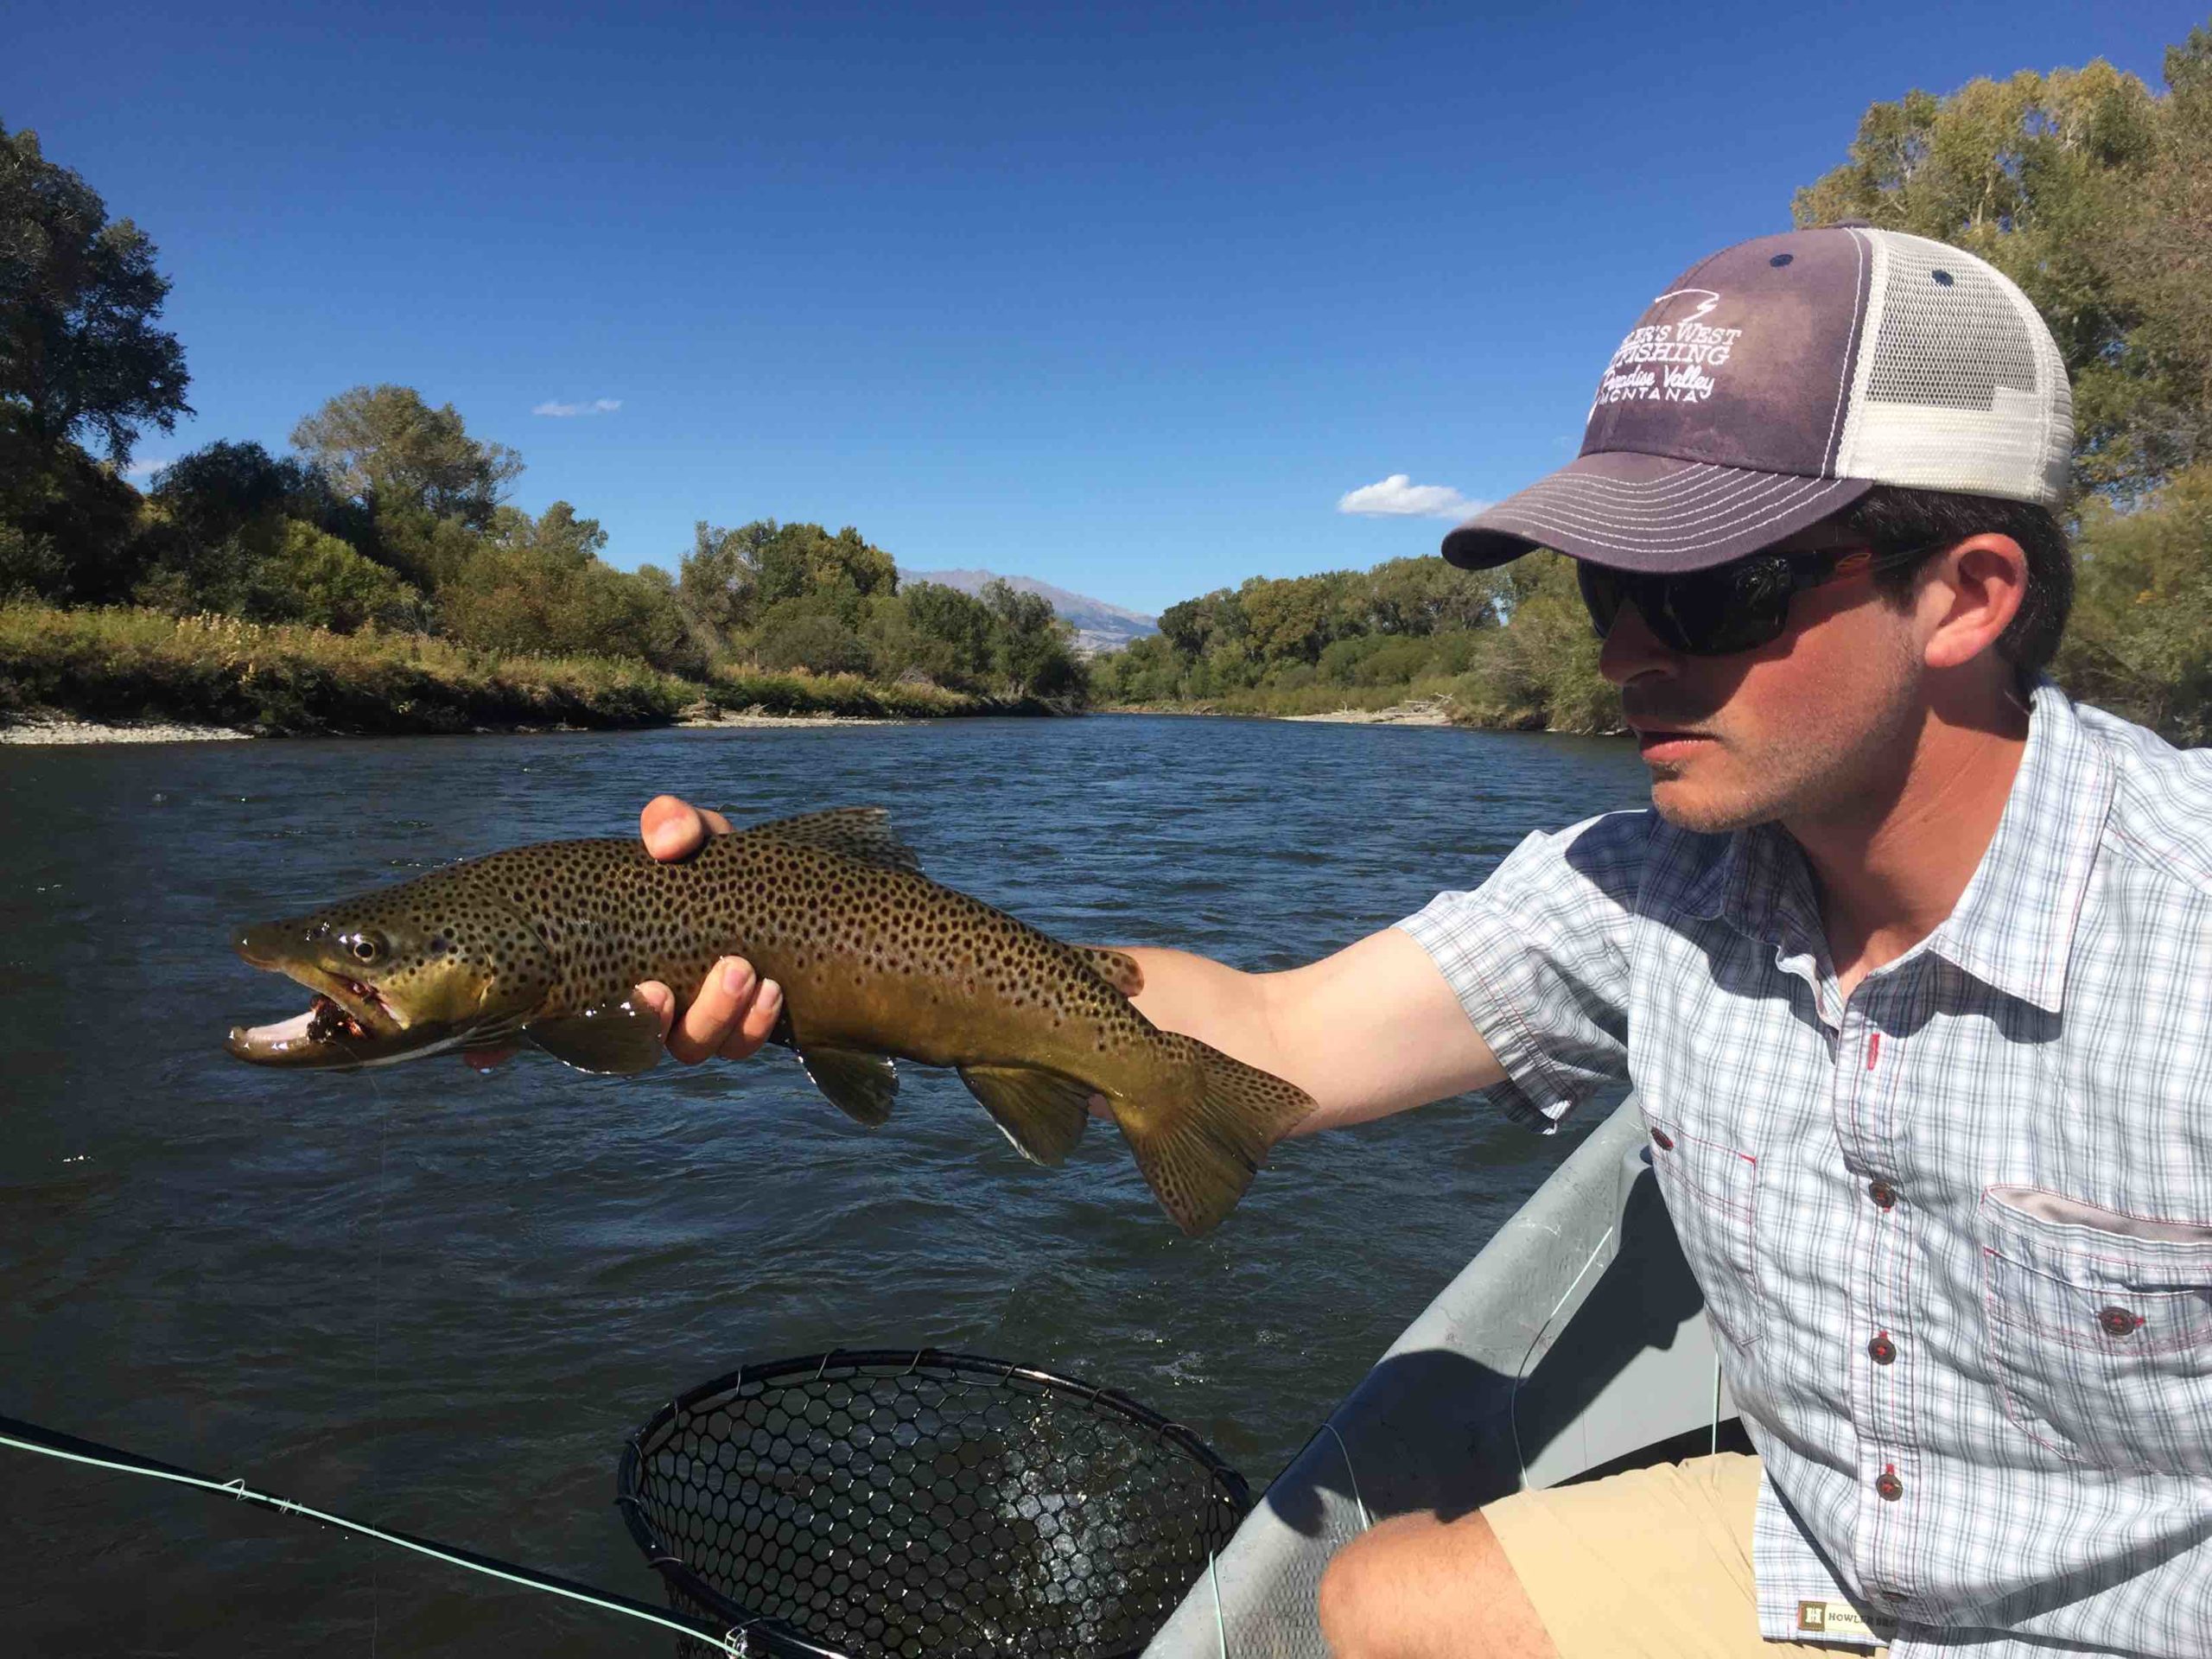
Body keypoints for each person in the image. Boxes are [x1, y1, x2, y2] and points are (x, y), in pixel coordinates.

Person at [603, 226, 2212, 1657]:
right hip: (1829, 1570)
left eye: (1710, 590)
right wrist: (832, 937)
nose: (1628, 657)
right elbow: (1280, 1044)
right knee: (1371, 1601)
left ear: (1967, 595)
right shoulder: (1647, 883)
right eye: (1603, 589)